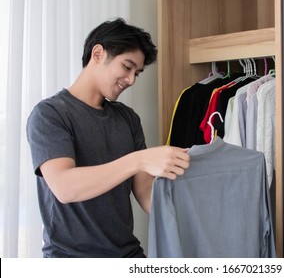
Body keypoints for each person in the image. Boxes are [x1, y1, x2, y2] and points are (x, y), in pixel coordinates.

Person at [26, 18, 190, 258]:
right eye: (127, 67)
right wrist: (139, 160)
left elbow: (145, 191)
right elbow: (65, 187)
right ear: (98, 53)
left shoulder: (128, 118)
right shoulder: (50, 114)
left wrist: (193, 215)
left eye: (137, 73)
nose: (132, 79)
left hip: (129, 256)